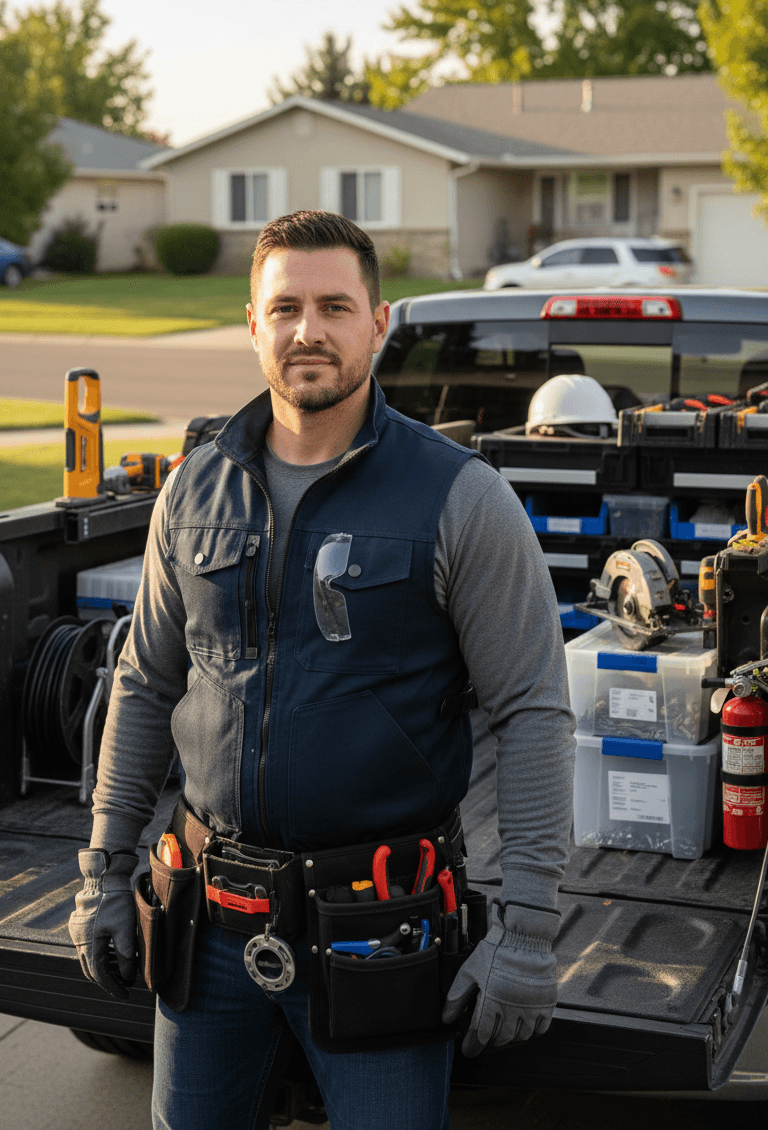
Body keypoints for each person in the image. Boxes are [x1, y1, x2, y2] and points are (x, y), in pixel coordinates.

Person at [69, 210, 575, 1130]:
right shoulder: (192, 489)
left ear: (378, 324)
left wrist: (529, 933)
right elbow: (144, 682)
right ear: (253, 324)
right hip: (206, 928)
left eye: (336, 306)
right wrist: (105, 872)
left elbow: (532, 713)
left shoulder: (461, 497)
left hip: (379, 935)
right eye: (287, 306)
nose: (310, 330)